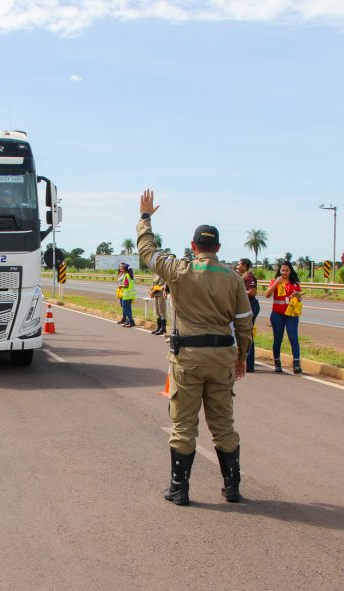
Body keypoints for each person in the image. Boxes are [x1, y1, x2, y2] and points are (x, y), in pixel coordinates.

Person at [136, 189, 253, 506]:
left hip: (187, 359)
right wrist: (241, 357)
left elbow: (148, 252)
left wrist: (145, 218)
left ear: (193, 246)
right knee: (223, 426)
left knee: (183, 426)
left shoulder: (178, 269)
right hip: (222, 359)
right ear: (217, 247)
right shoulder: (233, 278)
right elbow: (244, 322)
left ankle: (179, 488)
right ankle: (231, 487)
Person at [264, 261, 303, 374]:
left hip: (291, 314)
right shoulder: (275, 281)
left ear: (290, 271)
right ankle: (277, 363)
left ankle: (296, 364)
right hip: (277, 314)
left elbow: (299, 299)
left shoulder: (294, 283)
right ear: (279, 271)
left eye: (287, 270)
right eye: (282, 270)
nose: (284, 272)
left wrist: (297, 296)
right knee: (278, 339)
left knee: (293, 337)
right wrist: (276, 283)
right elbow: (267, 295)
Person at [236, 259, 259, 372]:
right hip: (247, 306)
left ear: (245, 266)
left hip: (251, 305)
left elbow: (252, 292)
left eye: (239, 264)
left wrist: (239, 291)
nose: (237, 266)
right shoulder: (243, 276)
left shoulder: (249, 277)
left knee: (248, 334)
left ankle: (249, 364)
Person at [118, 263, 137, 327]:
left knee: (125, 309)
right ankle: (129, 321)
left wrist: (121, 285)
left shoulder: (126, 276)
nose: (121, 268)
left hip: (126, 295)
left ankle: (131, 321)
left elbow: (126, 285)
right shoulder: (131, 275)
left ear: (125, 269)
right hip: (130, 295)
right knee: (129, 309)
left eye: (123, 267)